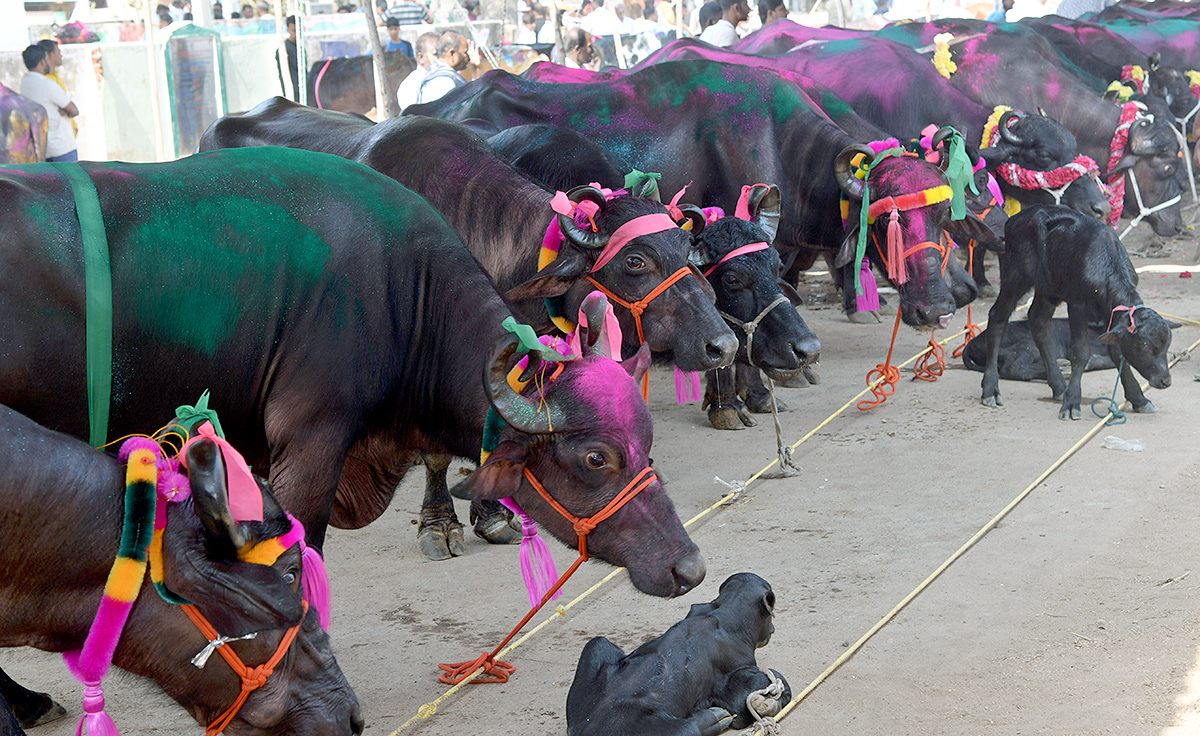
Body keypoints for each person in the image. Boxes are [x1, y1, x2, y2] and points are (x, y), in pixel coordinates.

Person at [20, 44, 79, 162]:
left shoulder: (25, 84)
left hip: (43, 149)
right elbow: (74, 110)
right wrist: (63, 110)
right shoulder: (47, 84)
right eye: (47, 59)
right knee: (70, 180)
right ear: (42, 62)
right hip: (61, 148)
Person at [416, 31, 470, 104]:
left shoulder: (437, 73)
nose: (468, 57)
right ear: (452, 54)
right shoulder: (443, 82)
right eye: (465, 53)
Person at [397, 31, 438, 110]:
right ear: (421, 57)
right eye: (436, 55)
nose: (441, 58)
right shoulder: (410, 86)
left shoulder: (445, 77)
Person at [279, 15, 299, 99]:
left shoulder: (300, 47)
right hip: (293, 93)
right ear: (288, 30)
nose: (296, 34)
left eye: (298, 30)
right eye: (294, 31)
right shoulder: (284, 50)